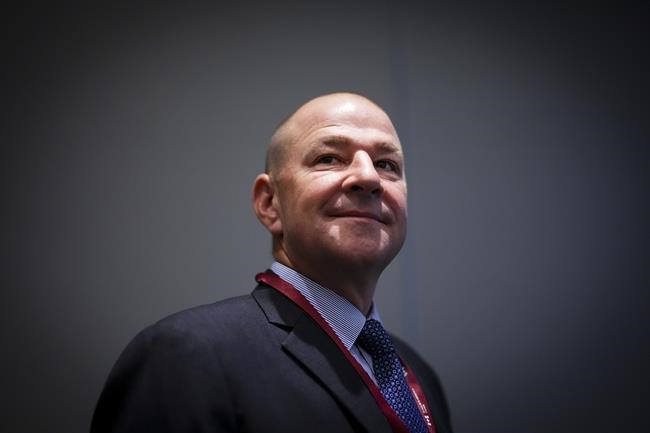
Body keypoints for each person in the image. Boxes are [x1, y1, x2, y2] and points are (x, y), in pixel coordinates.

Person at [90, 92, 453, 433]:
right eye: (329, 158)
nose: (369, 177)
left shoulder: (419, 374)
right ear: (269, 203)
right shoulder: (185, 355)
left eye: (386, 164)